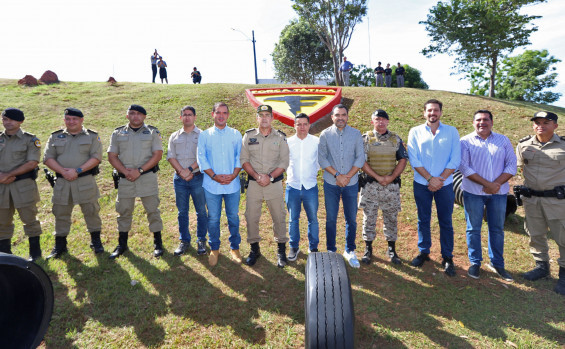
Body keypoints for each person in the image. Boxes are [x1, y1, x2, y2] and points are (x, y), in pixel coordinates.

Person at [460, 110, 516, 281]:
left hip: (499, 194)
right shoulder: (465, 141)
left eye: (485, 119)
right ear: (473, 122)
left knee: (497, 229)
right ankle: (475, 262)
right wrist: (487, 184)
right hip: (473, 192)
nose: (482, 122)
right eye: (478, 120)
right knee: (473, 228)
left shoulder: (503, 140)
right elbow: (464, 167)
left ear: (492, 122)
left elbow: (512, 165)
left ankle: (497, 263)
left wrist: (496, 184)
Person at [407, 99, 460, 276]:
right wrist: (430, 179)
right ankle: (424, 251)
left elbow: (455, 159)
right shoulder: (415, 132)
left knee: (445, 221)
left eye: (436, 110)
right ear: (424, 113)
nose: (432, 113)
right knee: (423, 218)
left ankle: (447, 257)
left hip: (445, 185)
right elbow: (414, 159)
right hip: (422, 184)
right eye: (429, 110)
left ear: (441, 112)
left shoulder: (452, 132)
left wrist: (440, 179)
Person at [43, 108, 104, 259]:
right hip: (63, 182)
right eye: (68, 119)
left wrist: (77, 170)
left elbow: (96, 157)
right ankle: (60, 245)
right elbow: (48, 158)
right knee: (61, 213)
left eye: (74, 119)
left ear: (81, 120)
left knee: (91, 211)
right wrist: (64, 172)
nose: (71, 122)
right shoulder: (56, 137)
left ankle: (96, 241)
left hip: (85, 181)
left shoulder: (92, 136)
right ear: (64, 120)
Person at [516, 111, 565, 295]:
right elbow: (520, 168)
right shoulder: (523, 145)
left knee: (563, 237)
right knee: (535, 234)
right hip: (532, 199)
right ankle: (541, 267)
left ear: (555, 126)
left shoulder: (564, 145)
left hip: (558, 201)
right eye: (537, 122)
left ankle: (564, 275)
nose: (540, 126)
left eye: (546, 122)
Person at [107, 104, 164, 259]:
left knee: (153, 210)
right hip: (126, 179)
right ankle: (122, 245)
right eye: (132, 113)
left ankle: (158, 243)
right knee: (124, 211)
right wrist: (126, 172)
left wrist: (139, 171)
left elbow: (157, 155)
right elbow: (112, 156)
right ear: (127, 116)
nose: (135, 116)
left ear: (144, 116)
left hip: (146, 177)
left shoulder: (152, 132)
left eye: (139, 114)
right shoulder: (118, 133)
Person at [240, 105, 290, 268]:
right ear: (257, 118)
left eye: (267, 115)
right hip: (254, 184)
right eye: (261, 115)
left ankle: (281, 251)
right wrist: (256, 176)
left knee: (279, 217)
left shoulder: (280, 137)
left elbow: (284, 162)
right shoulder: (248, 136)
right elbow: (244, 160)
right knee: (251, 217)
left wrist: (269, 177)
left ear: (272, 118)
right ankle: (255, 250)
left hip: (273, 184)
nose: (264, 118)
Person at [359, 109, 408, 265]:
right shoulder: (365, 139)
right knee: (369, 218)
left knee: (391, 218)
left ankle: (392, 249)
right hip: (371, 186)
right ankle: (368, 249)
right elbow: (361, 162)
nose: (380, 122)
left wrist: (390, 177)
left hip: (391, 187)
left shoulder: (396, 139)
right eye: (377, 119)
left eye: (383, 119)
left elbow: (402, 160)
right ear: (372, 121)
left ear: (387, 121)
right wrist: (378, 177)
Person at [318, 104, 364, 268]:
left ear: (347, 116)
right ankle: (331, 251)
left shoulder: (356, 134)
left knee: (351, 219)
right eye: (337, 115)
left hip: (351, 184)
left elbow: (360, 158)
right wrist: (338, 175)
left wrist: (348, 177)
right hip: (331, 183)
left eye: (343, 115)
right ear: (332, 117)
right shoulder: (325, 134)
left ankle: (350, 250)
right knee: (331, 218)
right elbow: (322, 159)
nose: (340, 118)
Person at [197, 102, 243, 266]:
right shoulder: (205, 135)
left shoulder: (236, 134)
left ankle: (235, 248)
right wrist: (215, 176)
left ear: (228, 115)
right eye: (218, 112)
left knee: (233, 217)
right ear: (213, 114)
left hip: (232, 184)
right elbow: (201, 158)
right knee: (213, 218)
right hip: (212, 185)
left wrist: (234, 174)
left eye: (224, 112)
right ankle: (214, 248)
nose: (221, 115)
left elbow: (240, 156)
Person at [0, 108, 43, 261]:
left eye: (11, 119)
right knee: (2, 222)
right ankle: (5, 255)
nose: (7, 122)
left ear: (20, 121)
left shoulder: (30, 140)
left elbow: (32, 162)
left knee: (30, 220)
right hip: (1, 187)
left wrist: (9, 175)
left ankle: (35, 254)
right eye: (5, 119)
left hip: (23, 186)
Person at [167, 106, 207, 257]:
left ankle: (202, 240)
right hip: (180, 180)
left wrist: (189, 170)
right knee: (182, 212)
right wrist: (181, 172)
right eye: (184, 115)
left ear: (195, 117)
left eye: (190, 115)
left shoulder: (202, 135)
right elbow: (171, 156)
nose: (187, 117)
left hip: (197, 178)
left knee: (201, 211)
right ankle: (184, 241)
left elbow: (203, 156)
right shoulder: (174, 136)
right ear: (180, 117)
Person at [285, 113, 320, 261]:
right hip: (292, 186)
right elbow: (283, 161)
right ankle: (294, 246)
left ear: (309, 125)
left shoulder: (316, 142)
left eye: (305, 124)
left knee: (313, 218)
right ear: (294, 125)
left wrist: (311, 173)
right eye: (299, 124)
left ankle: (313, 247)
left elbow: (320, 161)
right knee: (293, 219)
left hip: (310, 186)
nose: (302, 127)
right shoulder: (288, 142)